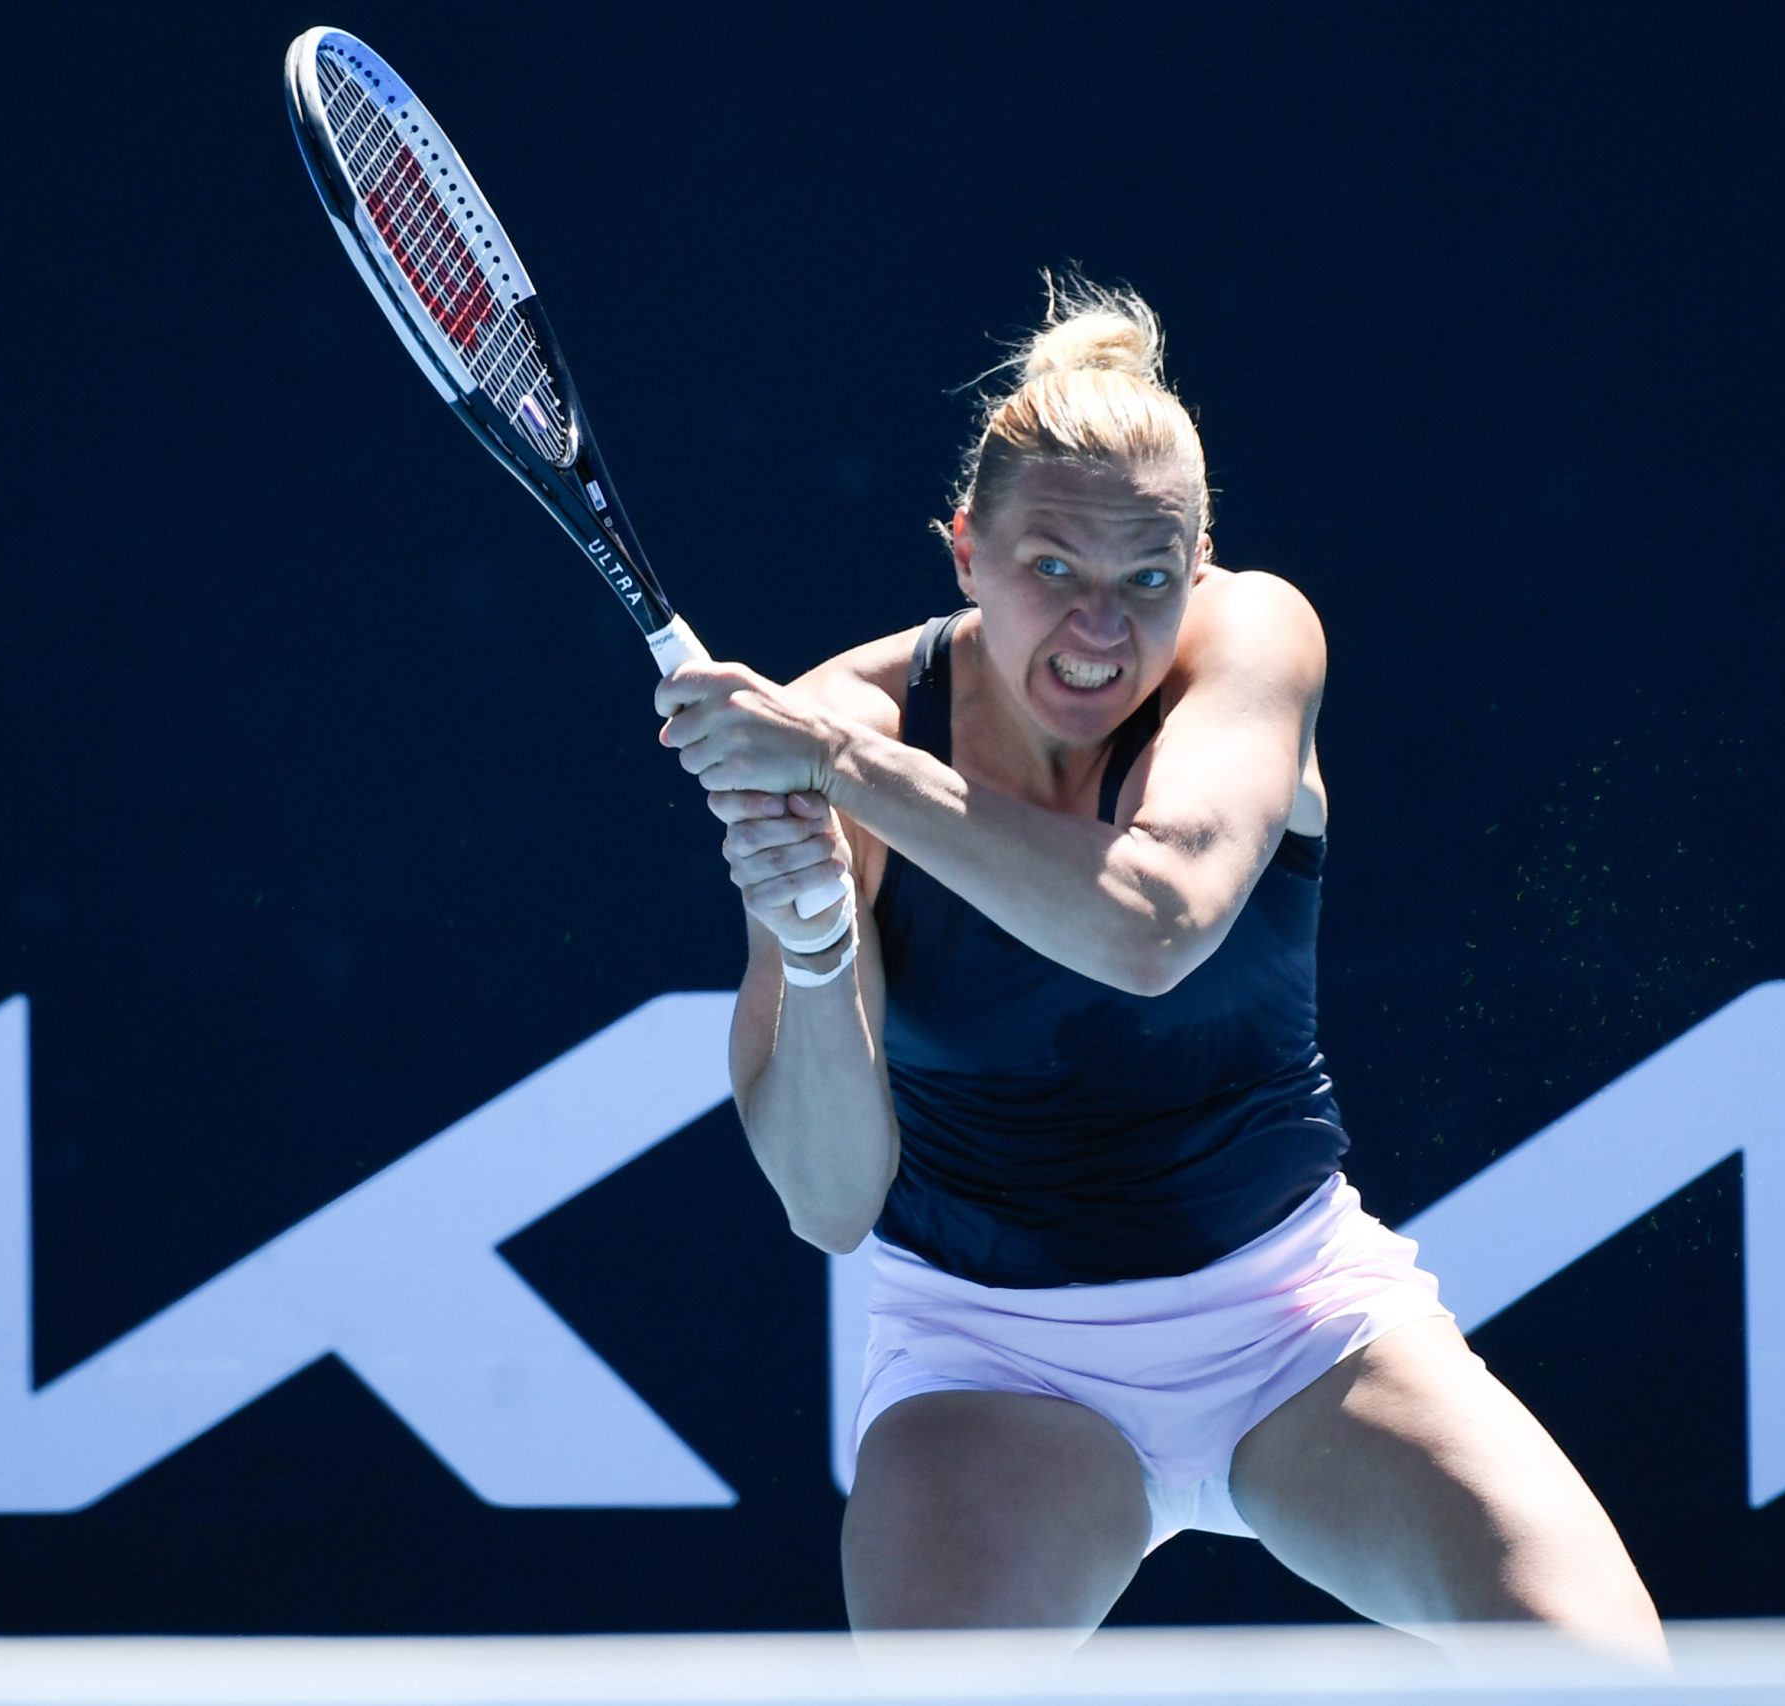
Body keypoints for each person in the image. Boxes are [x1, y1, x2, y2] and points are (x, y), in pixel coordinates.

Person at [652, 278, 1667, 1666]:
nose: (1098, 628)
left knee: (1611, 1677)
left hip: (1299, 1320)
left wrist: (843, 774)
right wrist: (823, 942)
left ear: (1201, 565)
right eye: (1050, 568)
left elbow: (1154, 922)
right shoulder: (852, 719)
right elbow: (829, 1203)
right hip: (986, 1356)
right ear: (963, 549)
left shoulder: (1248, 642)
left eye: (1147, 576)